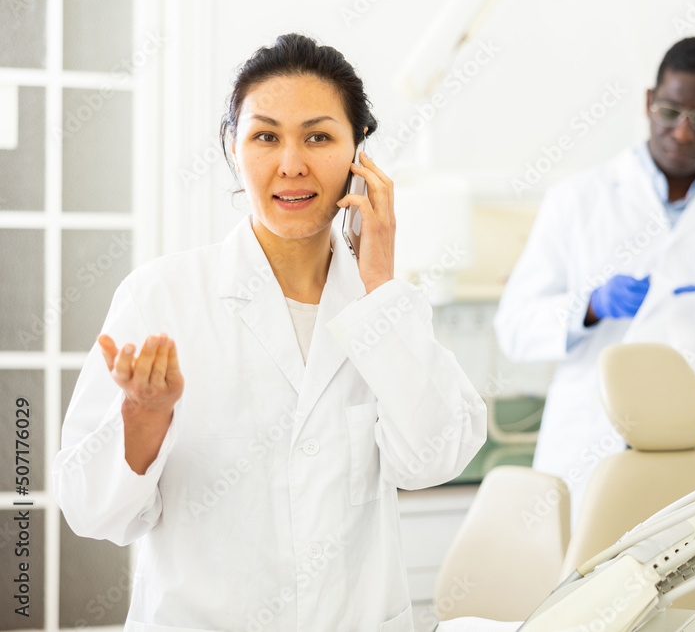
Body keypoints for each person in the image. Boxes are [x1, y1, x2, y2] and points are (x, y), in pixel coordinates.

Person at [54, 33, 486, 631]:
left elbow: (433, 460)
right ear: (233, 149)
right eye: (265, 137)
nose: (291, 164)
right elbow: (90, 511)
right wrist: (144, 419)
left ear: (359, 151)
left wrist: (381, 288)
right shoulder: (162, 297)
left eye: (319, 137)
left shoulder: (382, 307)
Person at [494, 37, 695, 518]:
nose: (682, 133)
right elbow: (514, 328)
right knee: (585, 562)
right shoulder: (577, 200)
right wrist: (590, 306)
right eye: (670, 112)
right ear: (647, 102)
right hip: (591, 449)